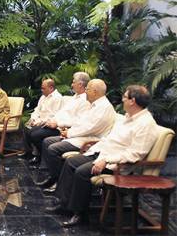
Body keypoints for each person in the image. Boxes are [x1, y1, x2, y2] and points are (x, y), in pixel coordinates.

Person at [48, 85, 158, 227]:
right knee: (71, 162)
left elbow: (135, 154)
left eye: (125, 97)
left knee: (82, 172)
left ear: (133, 101)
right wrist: (95, 150)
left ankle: (80, 214)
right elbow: (110, 139)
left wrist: (106, 160)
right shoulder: (127, 118)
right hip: (102, 154)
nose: (122, 100)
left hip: (117, 164)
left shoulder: (146, 124)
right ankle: (64, 204)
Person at [37, 79, 116, 192]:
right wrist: (68, 132)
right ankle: (54, 177)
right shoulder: (94, 104)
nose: (86, 92)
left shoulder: (103, 107)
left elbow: (89, 128)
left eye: (87, 89)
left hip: (90, 141)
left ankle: (58, 181)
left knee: (53, 148)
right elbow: (81, 122)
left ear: (95, 92)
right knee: (47, 142)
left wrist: (69, 133)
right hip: (80, 136)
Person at [20, 74, 90, 166]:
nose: (71, 85)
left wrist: (57, 123)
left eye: (73, 82)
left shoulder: (84, 100)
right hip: (55, 124)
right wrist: (50, 121)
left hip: (64, 128)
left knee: (35, 134)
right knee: (30, 130)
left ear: (80, 84)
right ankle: (40, 157)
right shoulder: (74, 97)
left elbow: (77, 121)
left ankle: (43, 159)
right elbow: (60, 113)